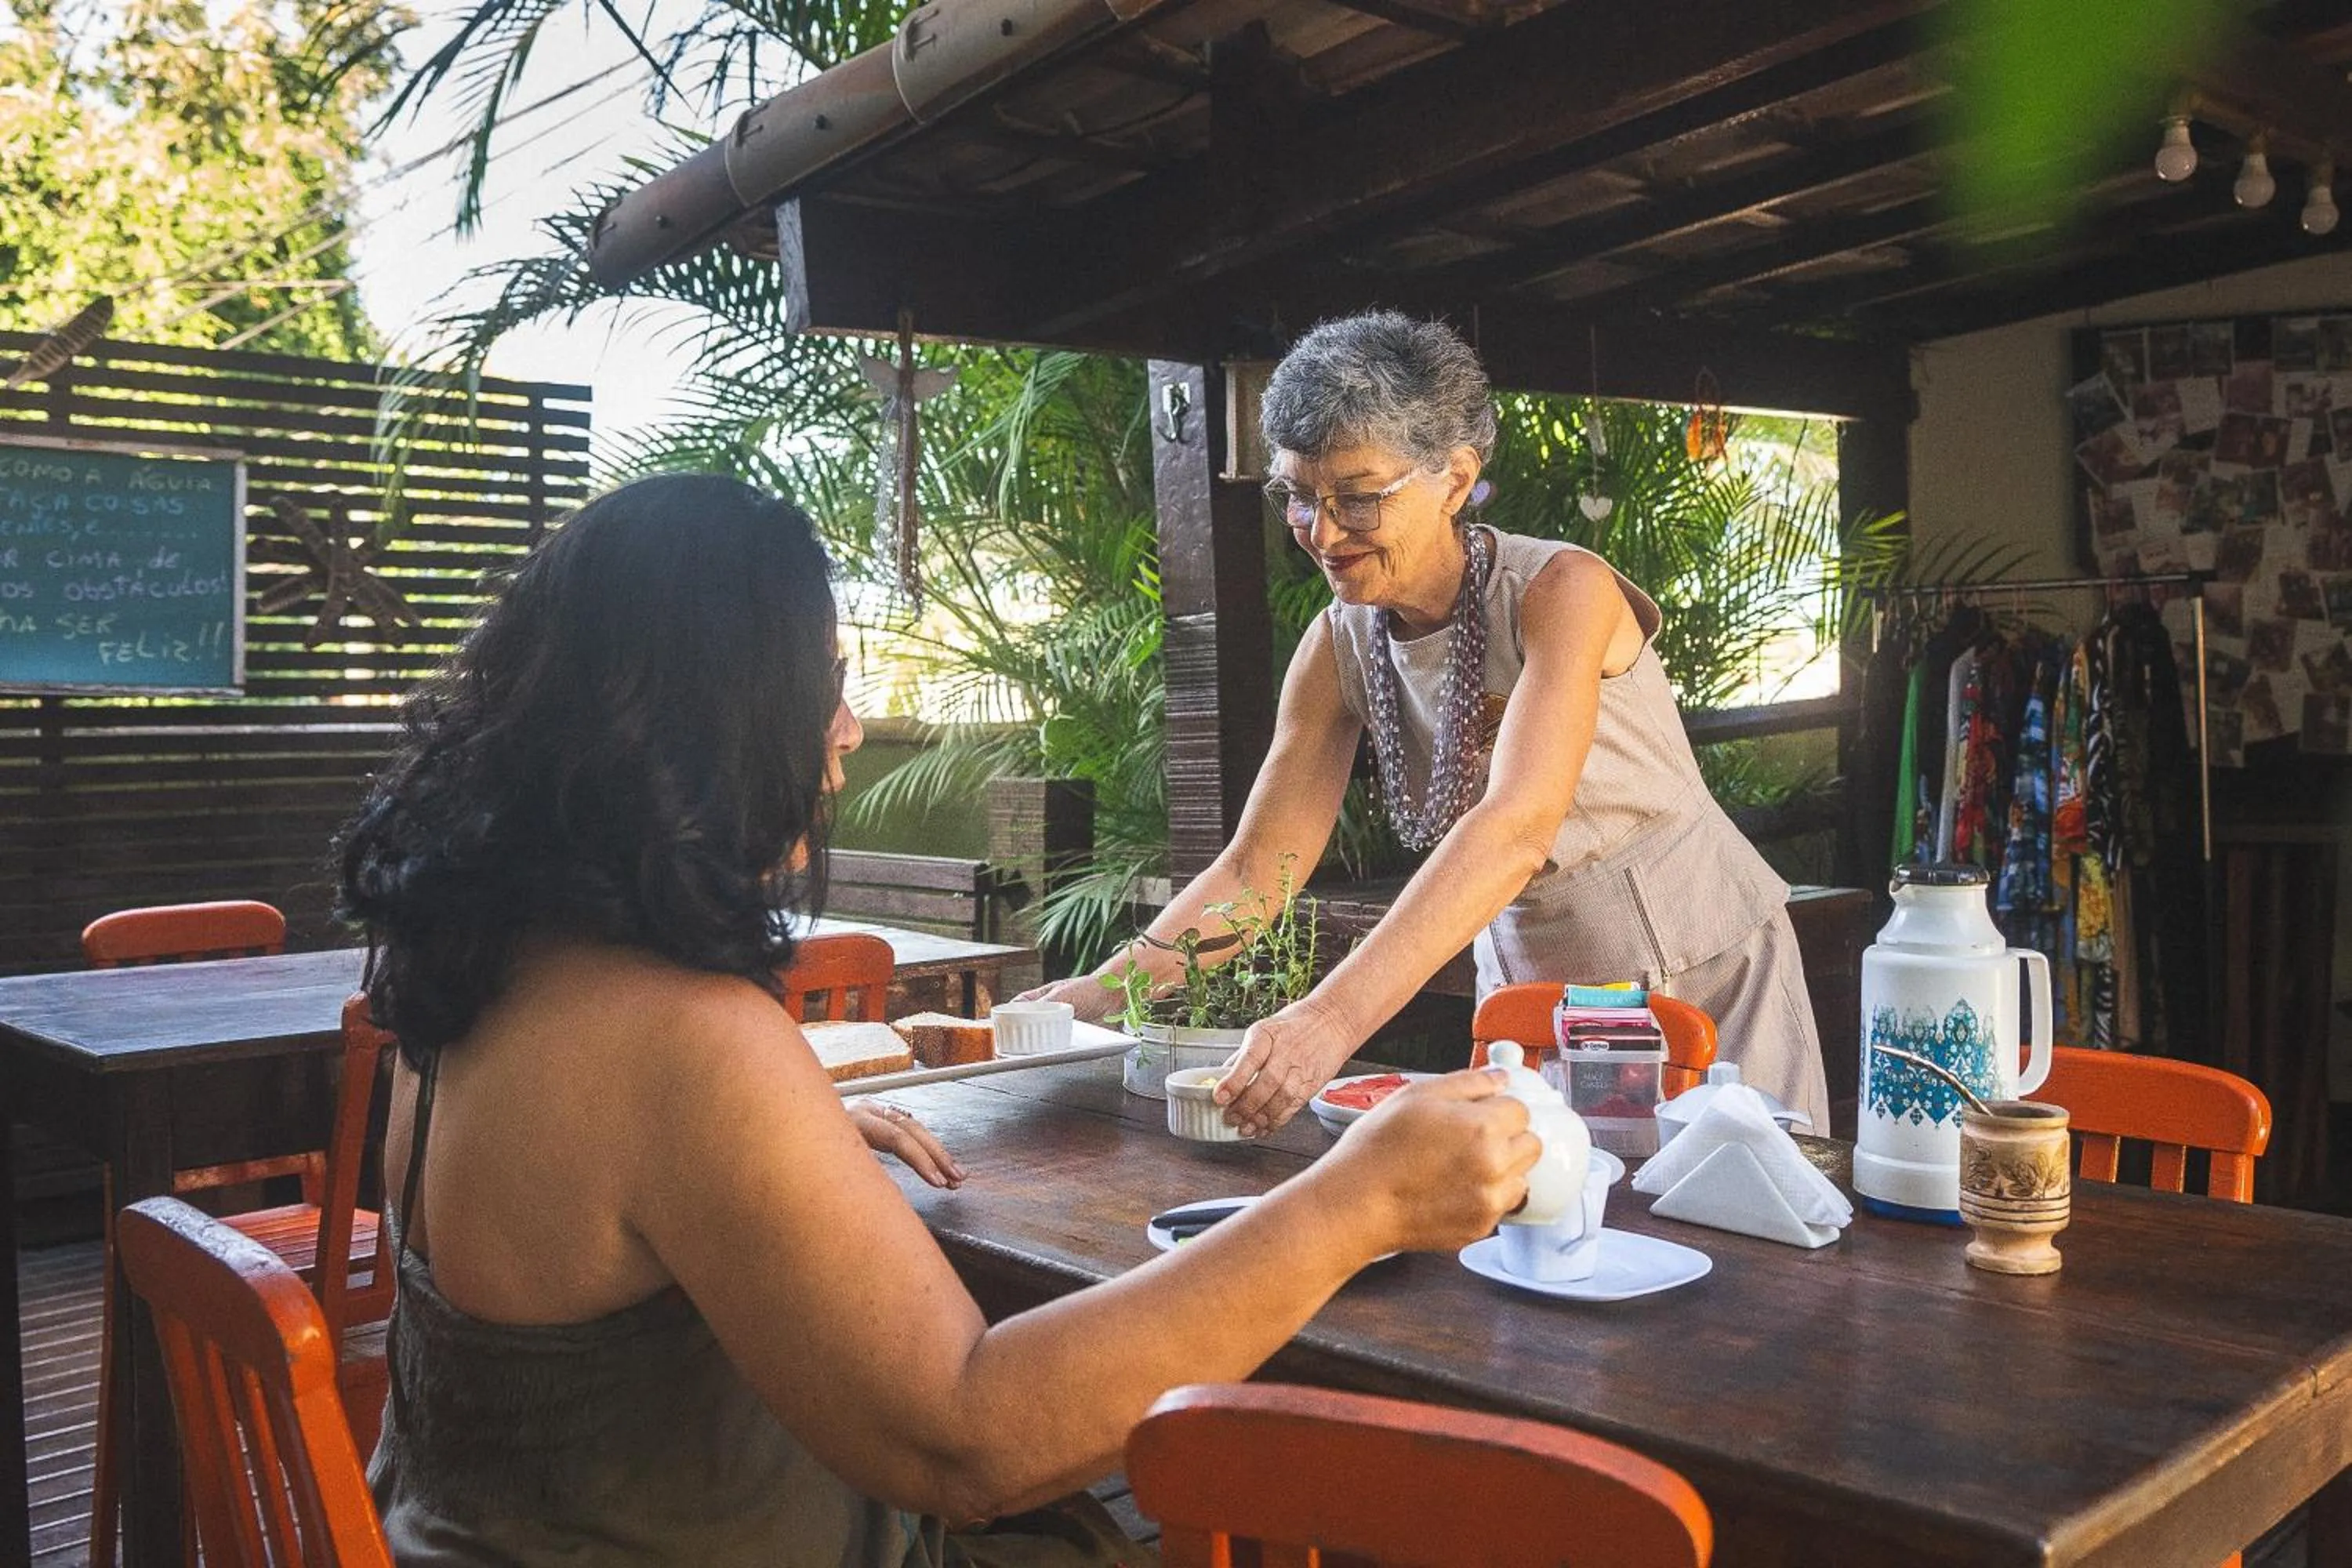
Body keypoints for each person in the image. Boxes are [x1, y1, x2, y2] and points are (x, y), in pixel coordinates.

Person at [336, 474, 1537, 1566]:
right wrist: (1354, 1203)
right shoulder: (681, 1037)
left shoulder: (482, 974)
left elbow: (595, 1208)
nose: (847, 730)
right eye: (827, 687)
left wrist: (768, 1160)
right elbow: (965, 1443)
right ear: (718, 719)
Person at [1024, 312, 1830, 1138]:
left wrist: (1329, 1020)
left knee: (1743, 1238)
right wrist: (1100, 991)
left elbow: (1517, 826)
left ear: (1453, 477)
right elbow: (1260, 868)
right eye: (1299, 497)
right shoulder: (1338, 643)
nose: (1323, 532)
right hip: (1530, 1002)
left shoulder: (1562, 592)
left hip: (1702, 976)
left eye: (1358, 498)